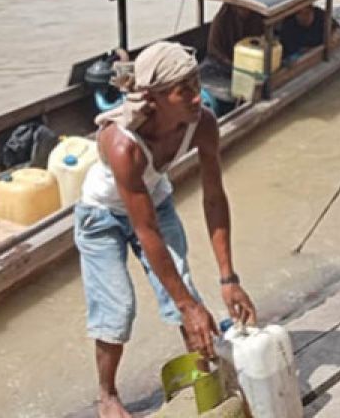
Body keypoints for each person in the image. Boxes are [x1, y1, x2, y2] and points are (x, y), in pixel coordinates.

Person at [74, 41, 256, 418]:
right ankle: (106, 395)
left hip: (155, 202)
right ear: (154, 98)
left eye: (197, 83)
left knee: (184, 290)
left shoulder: (202, 122)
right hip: (101, 217)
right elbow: (145, 232)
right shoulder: (124, 145)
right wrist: (188, 306)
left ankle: (205, 378)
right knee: (118, 308)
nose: (196, 96)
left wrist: (228, 278)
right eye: (183, 90)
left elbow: (213, 198)